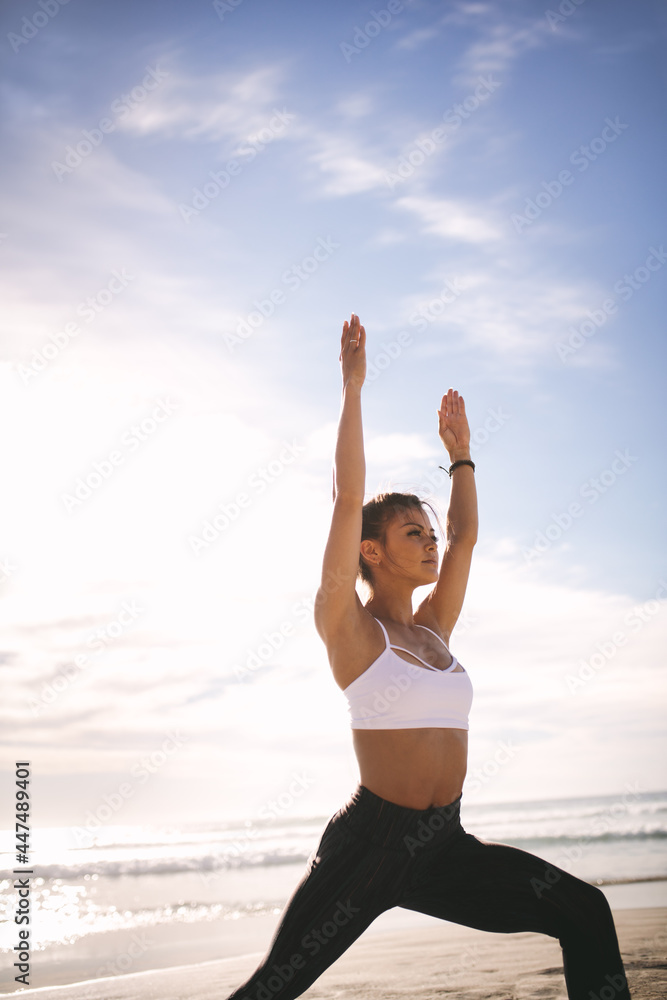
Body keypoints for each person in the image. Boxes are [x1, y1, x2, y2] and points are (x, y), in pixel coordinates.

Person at [224, 314, 631, 1000]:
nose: (431, 542)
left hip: (444, 847)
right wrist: (352, 389)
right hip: (369, 850)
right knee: (272, 989)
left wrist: (462, 455)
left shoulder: (435, 629)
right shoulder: (349, 628)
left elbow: (467, 538)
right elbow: (347, 498)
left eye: (428, 531)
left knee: (584, 910)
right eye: (413, 533)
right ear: (370, 551)